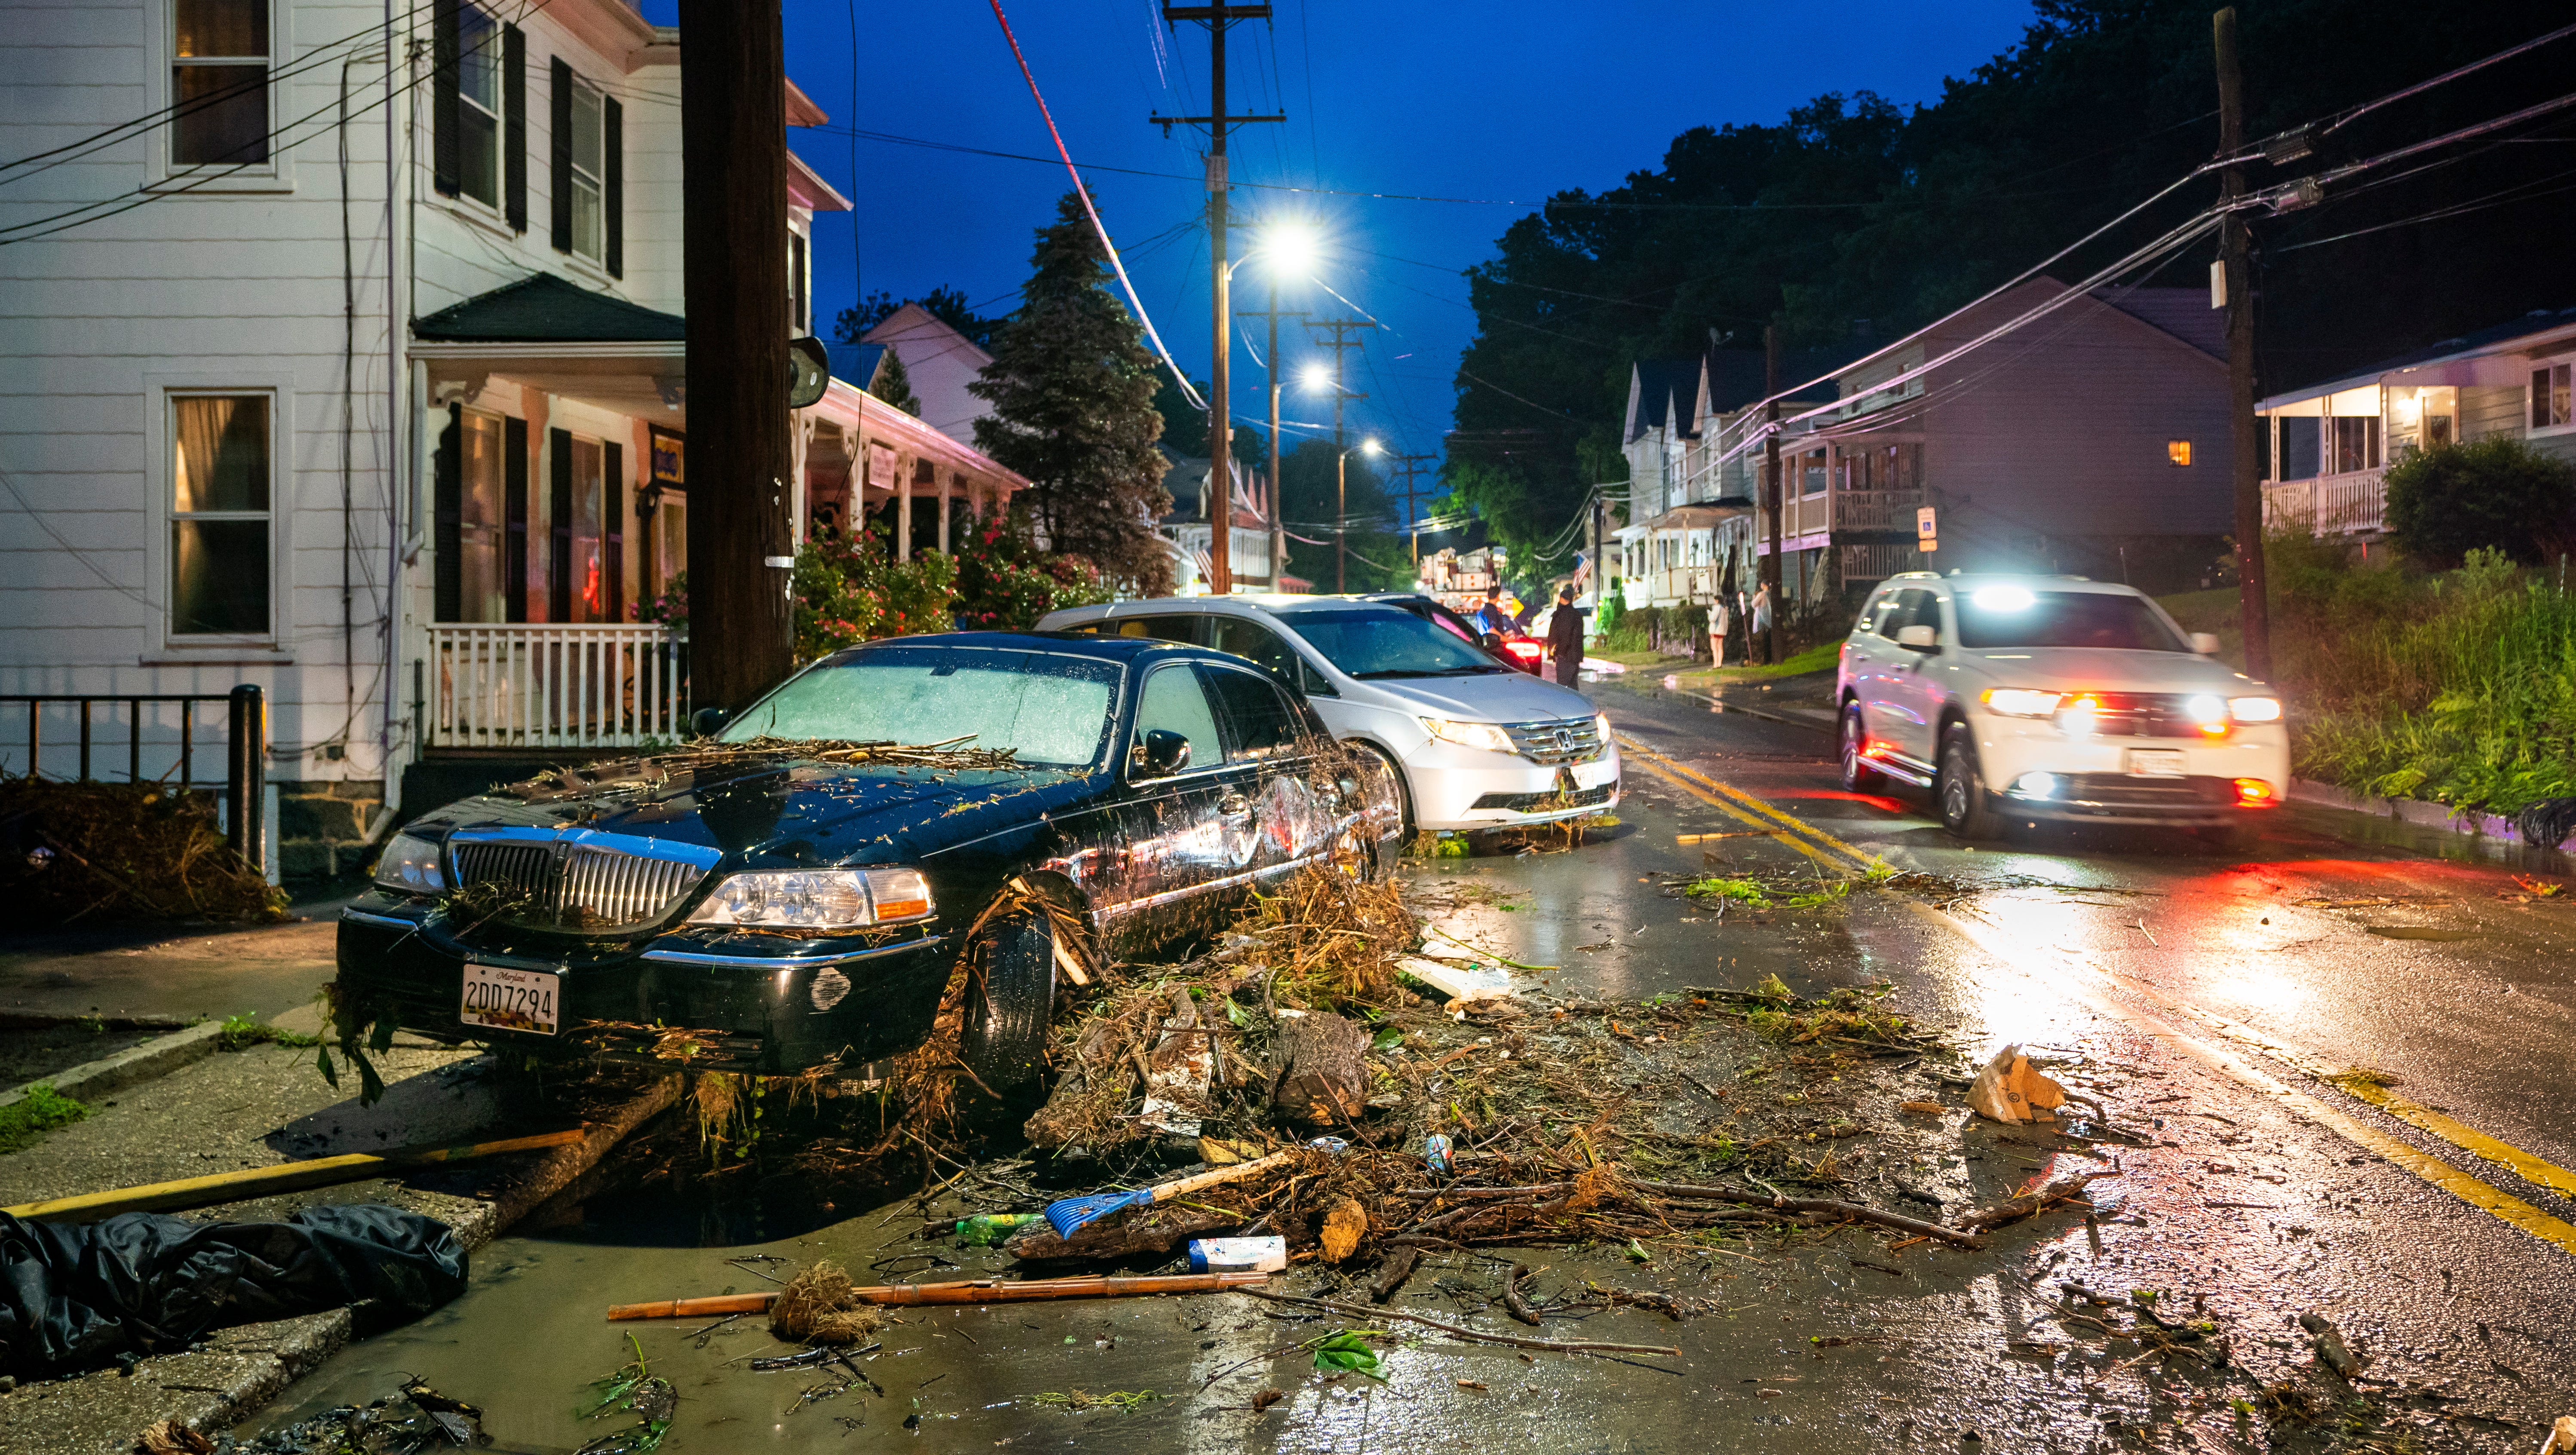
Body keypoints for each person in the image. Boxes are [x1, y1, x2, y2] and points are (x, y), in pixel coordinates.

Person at [1546, 586, 1585, 687]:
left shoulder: (1562, 615)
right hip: (1575, 657)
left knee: (1562, 688)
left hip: (1565, 657)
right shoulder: (1577, 615)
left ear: (1562, 599)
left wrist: (1557, 651)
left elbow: (1565, 637)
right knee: (1573, 687)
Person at [1749, 581, 1773, 664]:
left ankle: (1765, 659)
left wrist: (1754, 598)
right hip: (1769, 620)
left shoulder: (1762, 594)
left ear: (1763, 585)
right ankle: (1770, 658)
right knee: (1769, 639)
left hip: (1761, 620)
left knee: (1762, 640)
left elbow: (1754, 604)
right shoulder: (1770, 595)